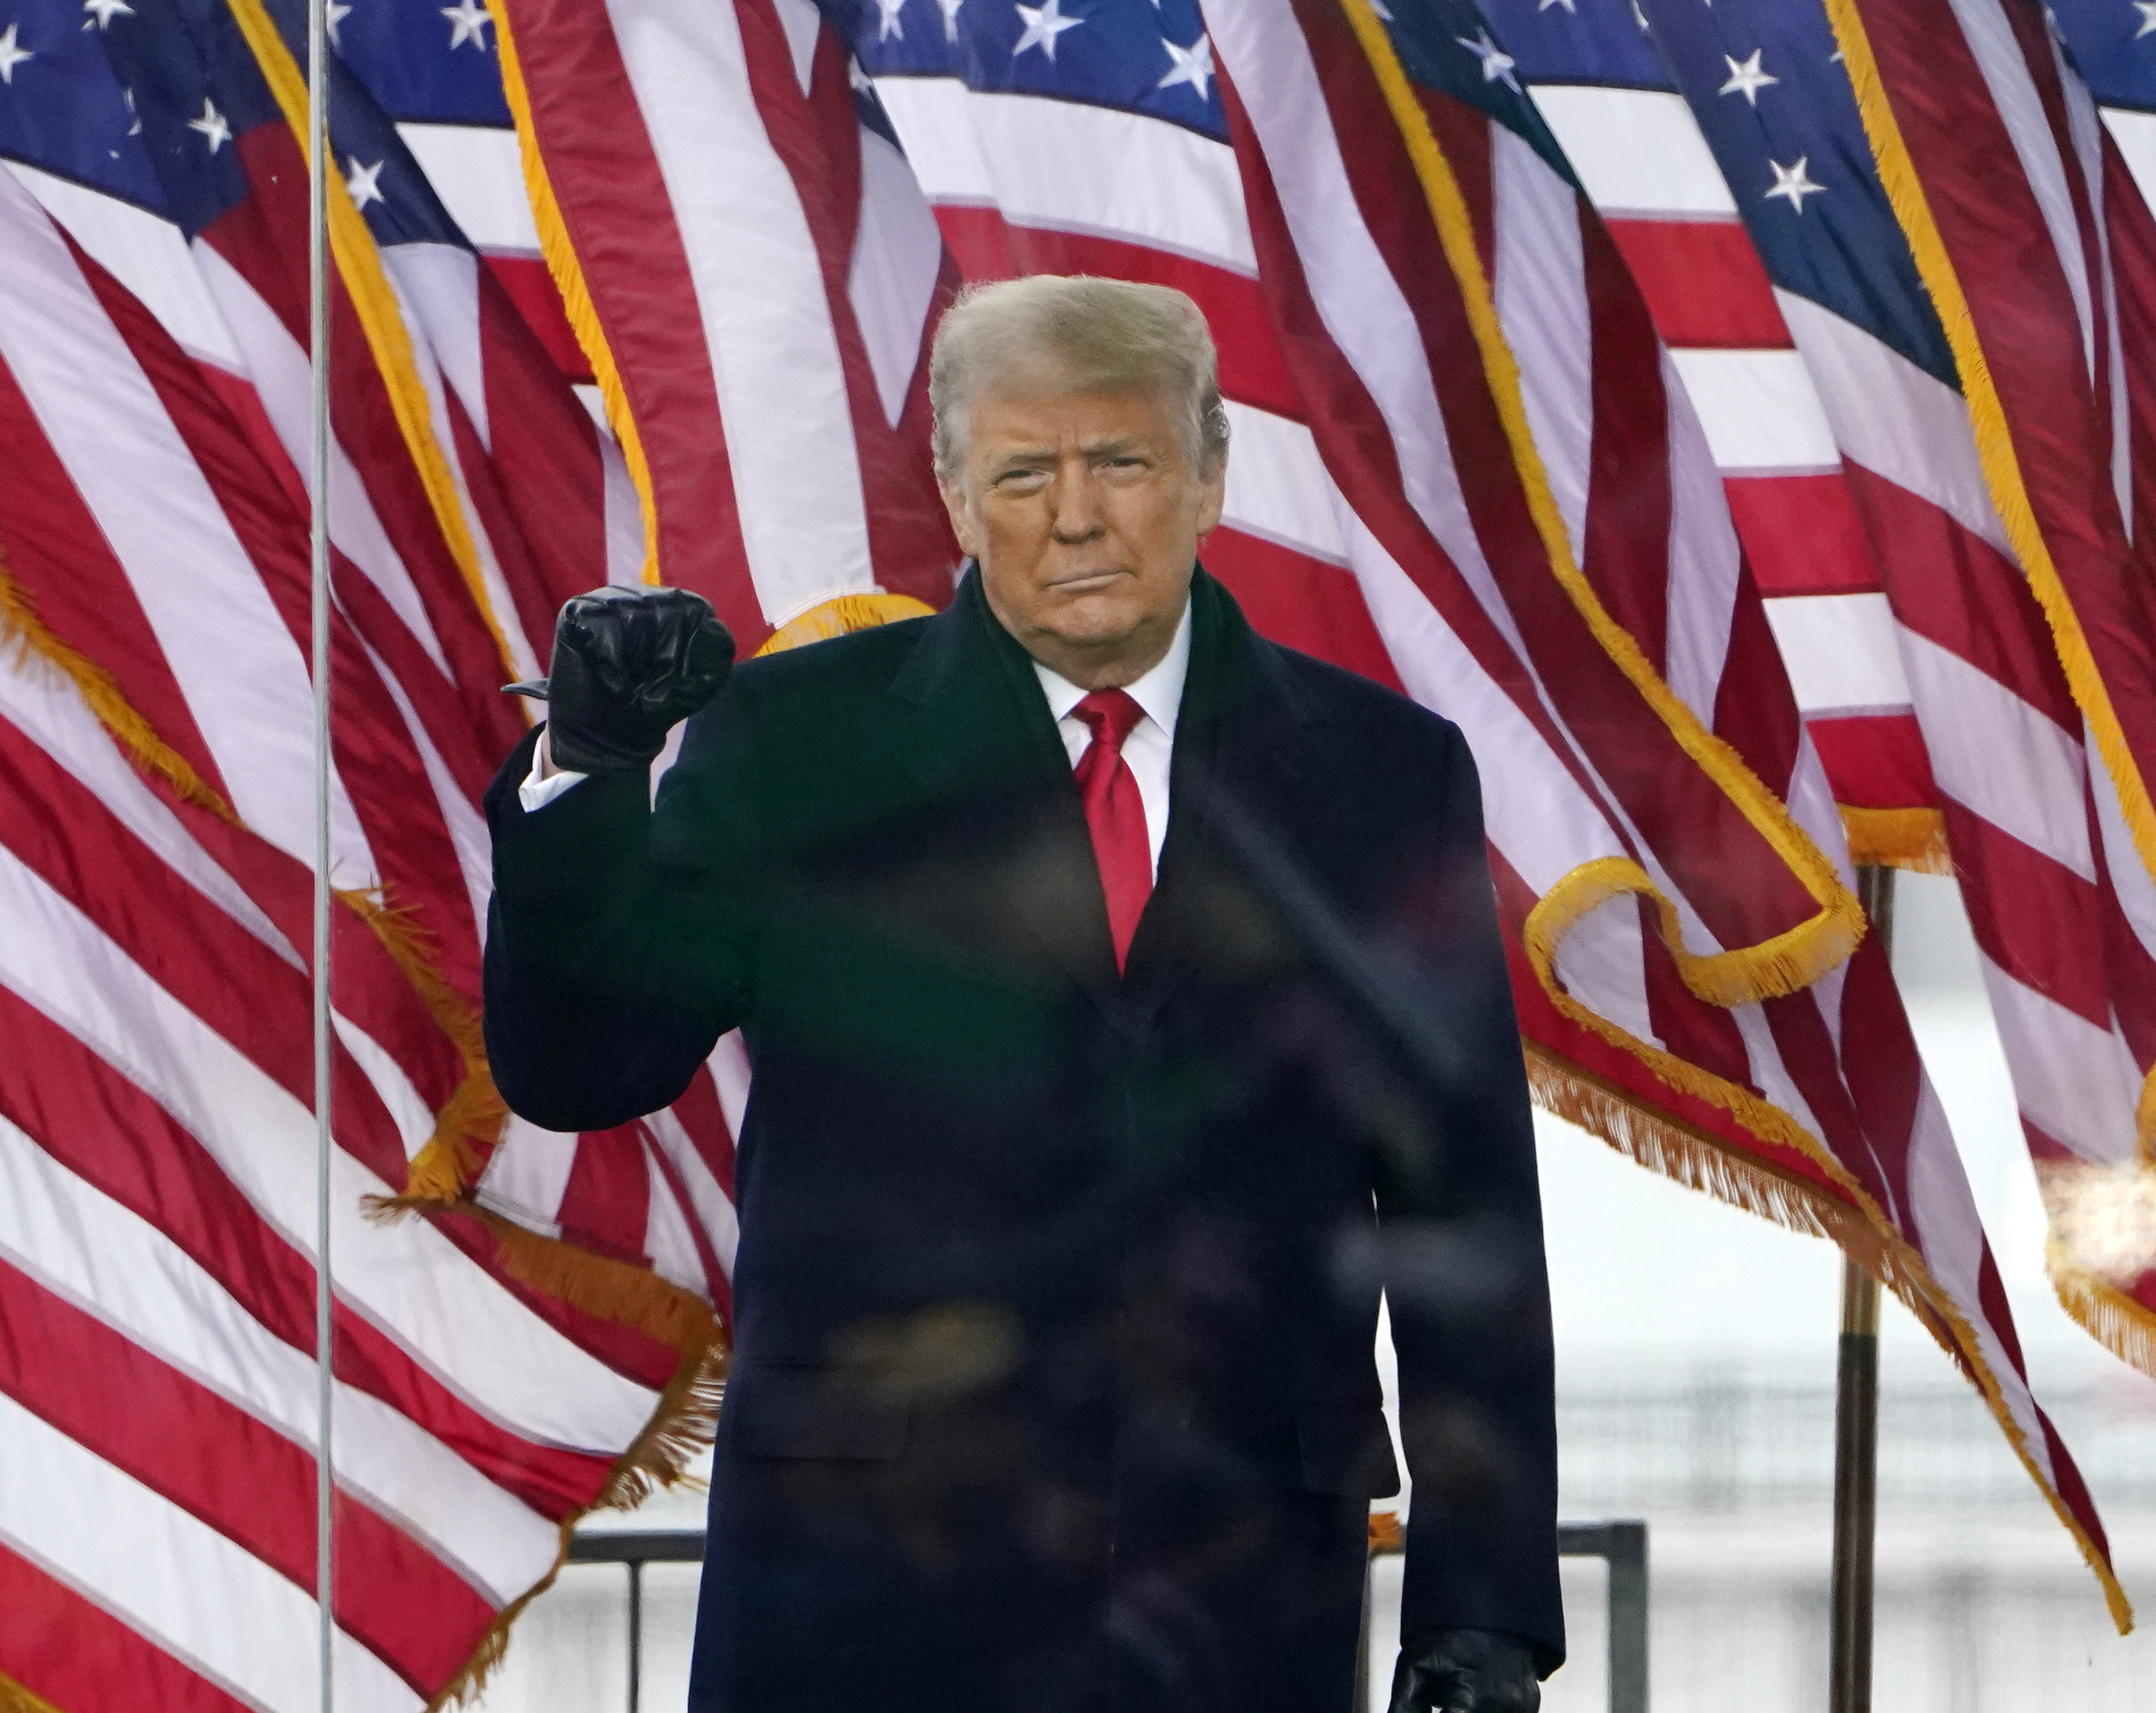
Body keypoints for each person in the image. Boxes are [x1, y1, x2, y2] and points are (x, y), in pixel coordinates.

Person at [483, 275, 1560, 1712]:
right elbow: (581, 1065)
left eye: (1118, 462)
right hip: (861, 1587)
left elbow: (1456, 1204)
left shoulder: (1382, 773)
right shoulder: (794, 743)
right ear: (950, 485)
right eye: (1021, 471)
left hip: (1239, 1595)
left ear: (1209, 469)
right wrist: (593, 773)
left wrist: (1479, 1610)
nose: (1073, 517)